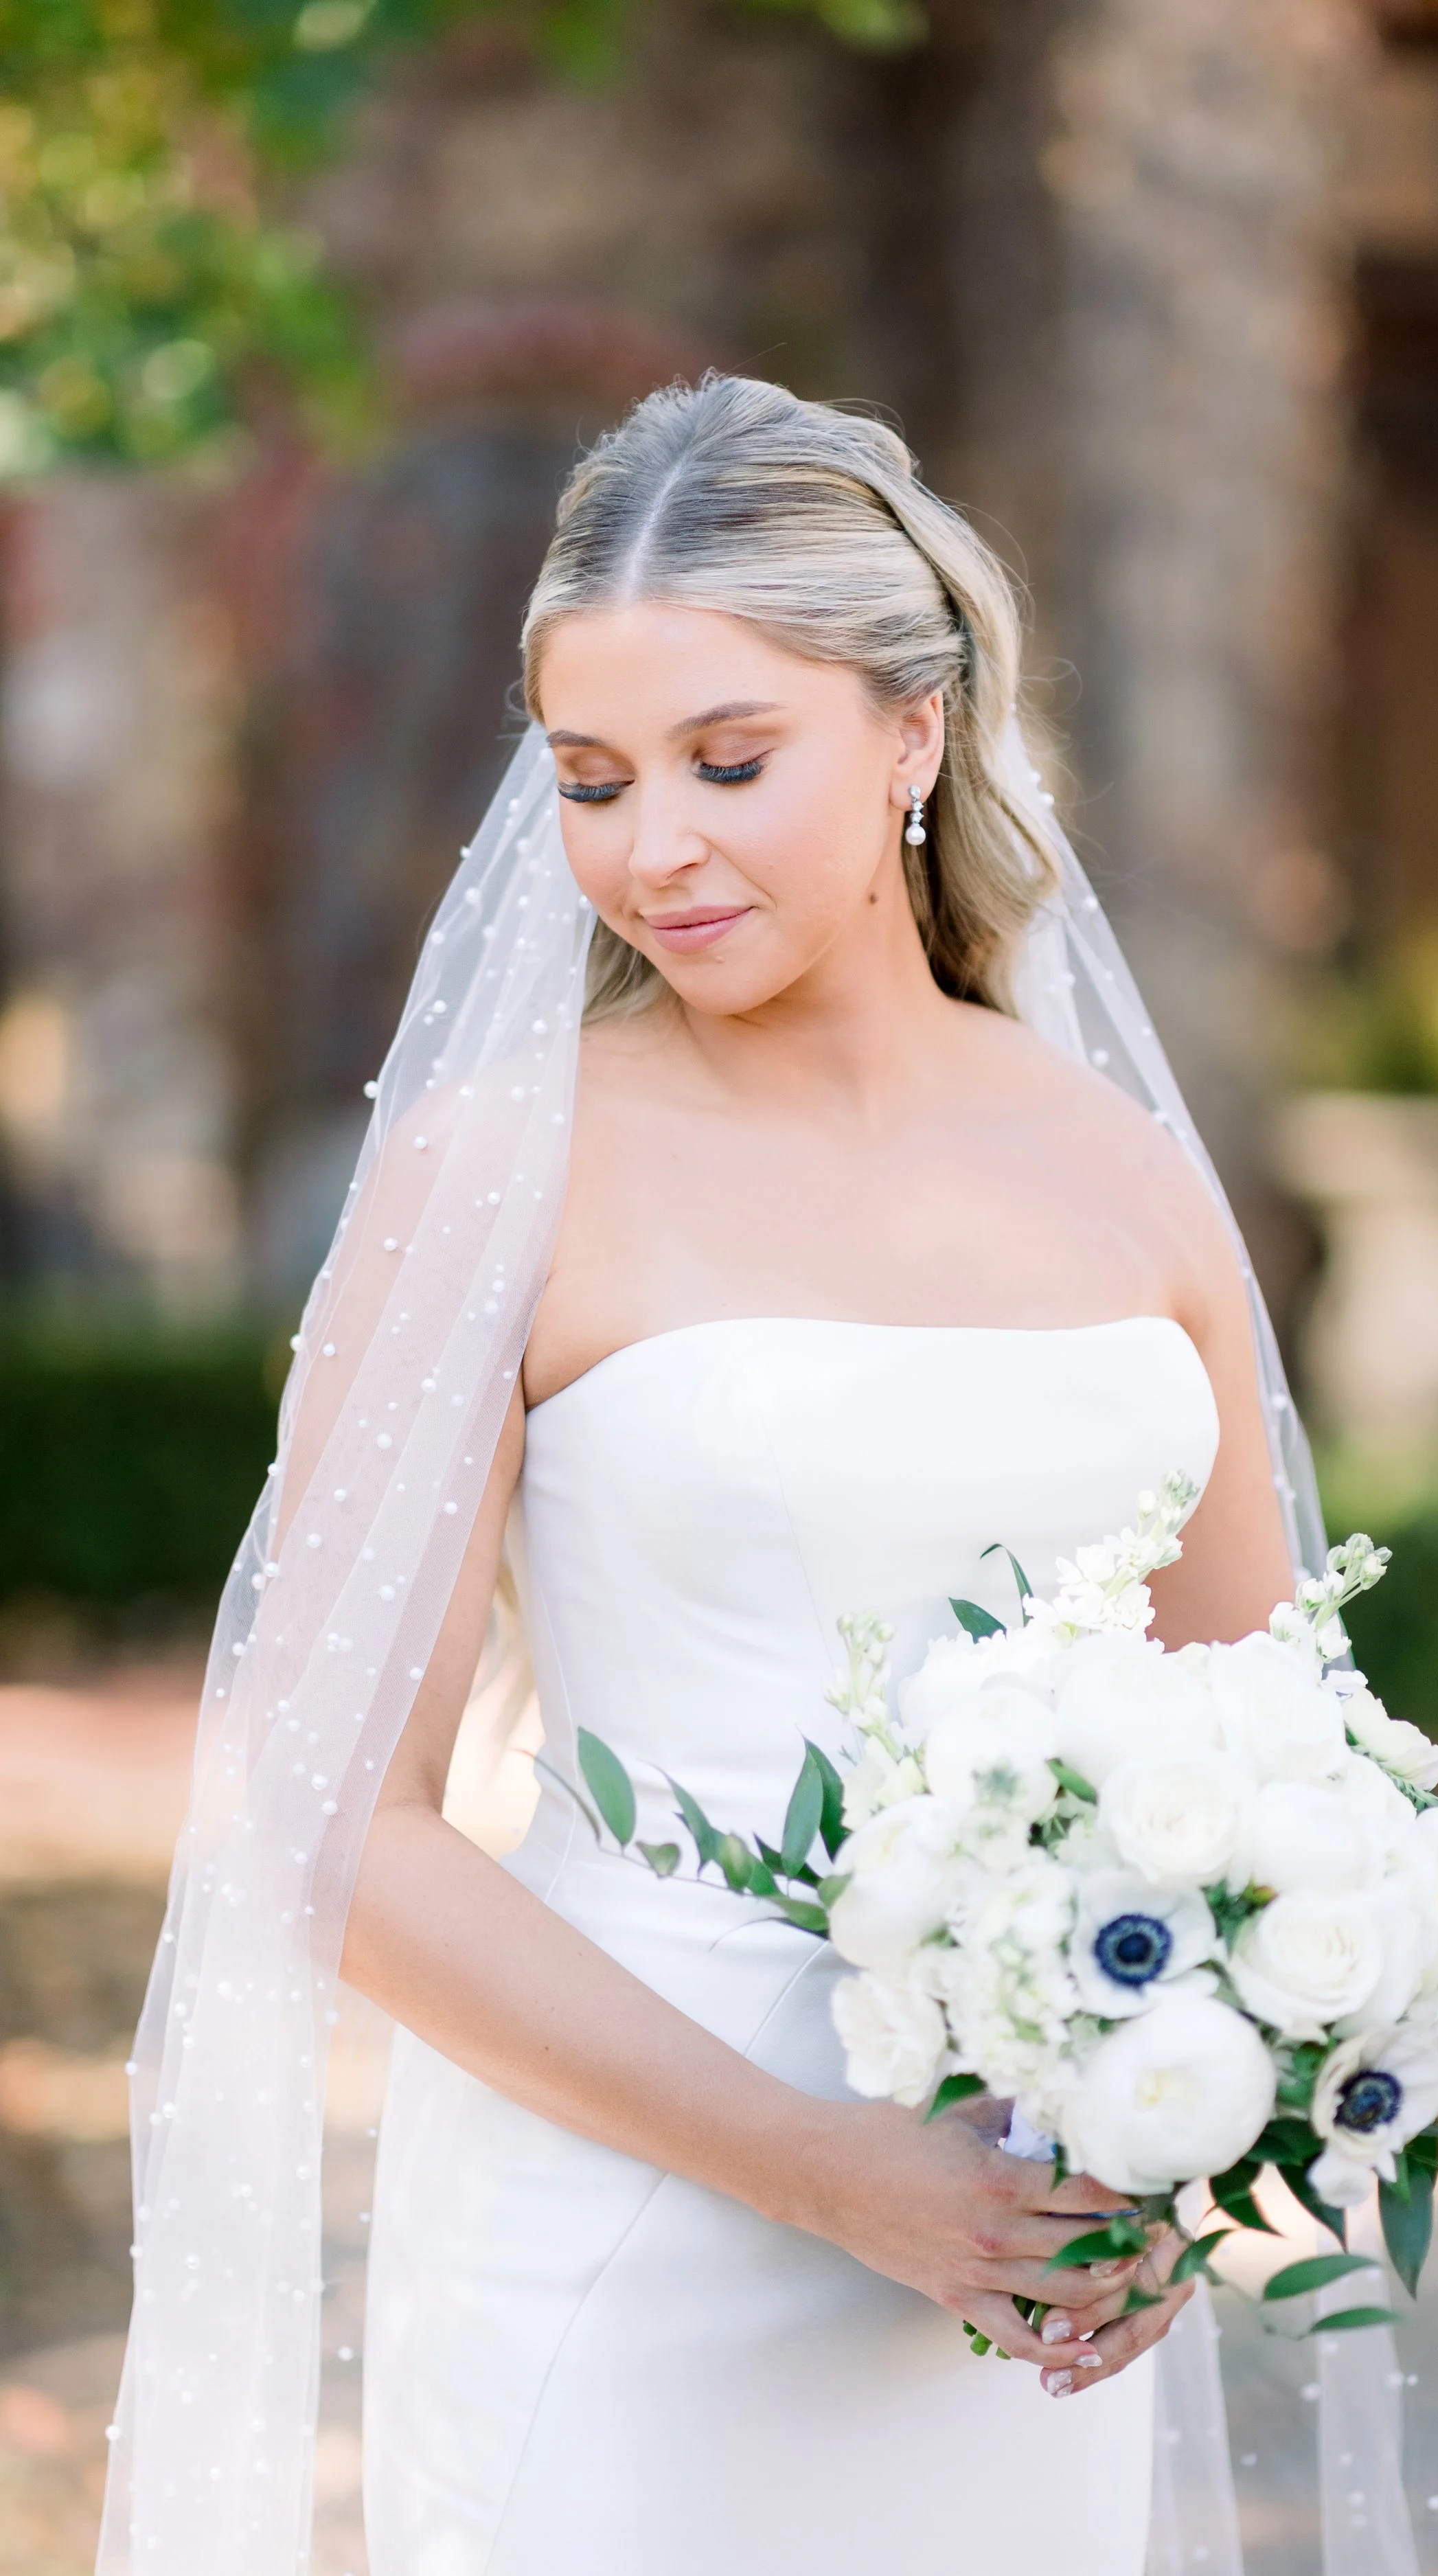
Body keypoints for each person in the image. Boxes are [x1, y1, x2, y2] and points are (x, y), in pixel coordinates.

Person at [97, 374, 1330, 2576]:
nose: (649, 846)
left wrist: (1179, 2130)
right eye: (591, 779)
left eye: (727, 761)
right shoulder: (502, 1168)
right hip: (633, 2240)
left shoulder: (1120, 1168)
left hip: (1019, 2254)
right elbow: (331, 1822)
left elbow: (1267, 1749)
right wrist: (826, 2169)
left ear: (913, 731)